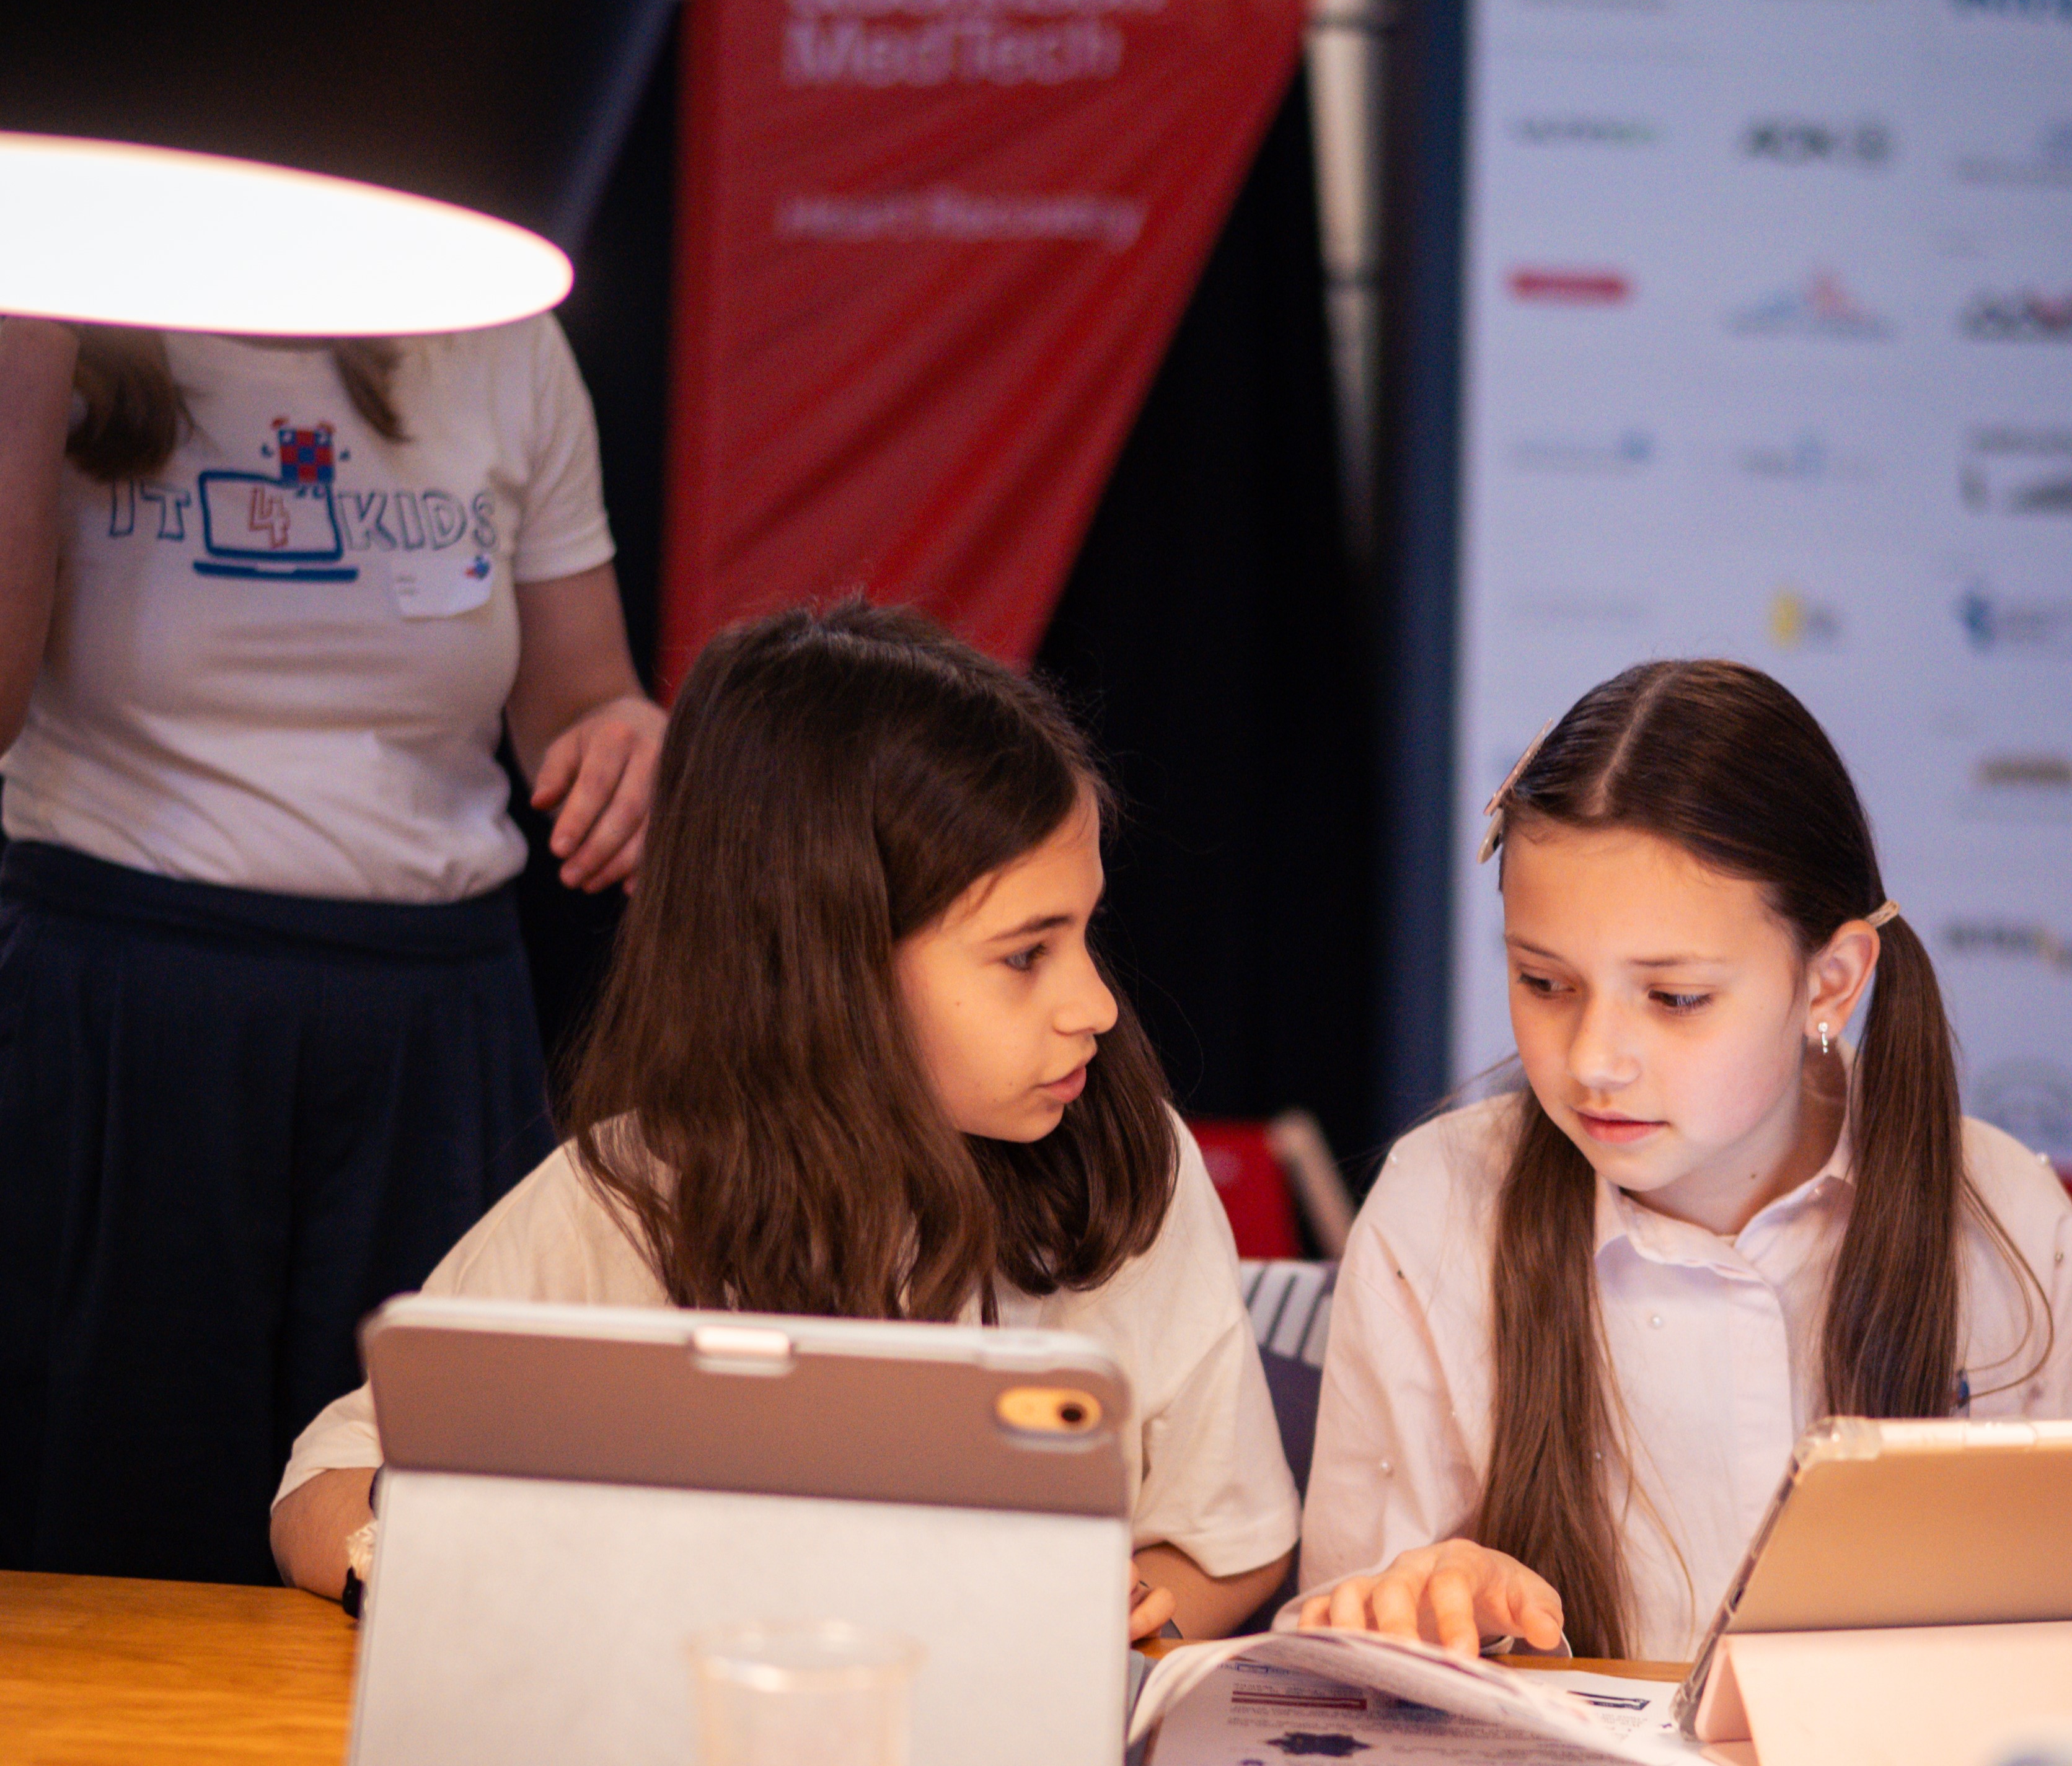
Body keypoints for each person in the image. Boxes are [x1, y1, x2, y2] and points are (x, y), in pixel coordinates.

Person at [1292, 659, 2072, 1672]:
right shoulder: (1437, 1209)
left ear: (1831, 980)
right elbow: (1329, 1670)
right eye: (1543, 981)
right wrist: (1416, 1607)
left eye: (1674, 997)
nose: (1591, 1059)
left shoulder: (2005, 1218)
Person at [269, 602, 1300, 1639]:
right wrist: (423, 1559)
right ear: (828, 968)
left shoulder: (1128, 1165)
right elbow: (323, 1482)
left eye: (1085, 931)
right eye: (1025, 954)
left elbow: (1230, 1540)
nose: (1097, 1004)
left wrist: (1106, 1613)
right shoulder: (628, 1194)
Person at [0, 315, 664, 1584]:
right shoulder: (51, 315)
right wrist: (23, 364)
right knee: (110, 1524)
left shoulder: (499, 334)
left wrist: (624, 741)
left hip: (434, 1020)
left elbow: (583, 696)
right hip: (128, 1002)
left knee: (434, 1497)